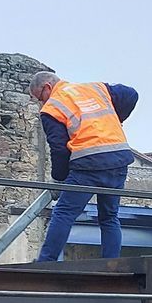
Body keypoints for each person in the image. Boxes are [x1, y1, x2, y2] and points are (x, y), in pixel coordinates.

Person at [29, 71, 139, 262]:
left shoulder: (52, 108)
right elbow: (131, 94)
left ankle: (46, 262)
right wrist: (116, 119)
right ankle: (111, 264)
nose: (41, 103)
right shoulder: (95, 88)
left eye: (40, 98)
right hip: (118, 158)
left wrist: (60, 179)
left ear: (47, 87)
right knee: (109, 217)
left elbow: (59, 148)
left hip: (88, 163)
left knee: (63, 213)